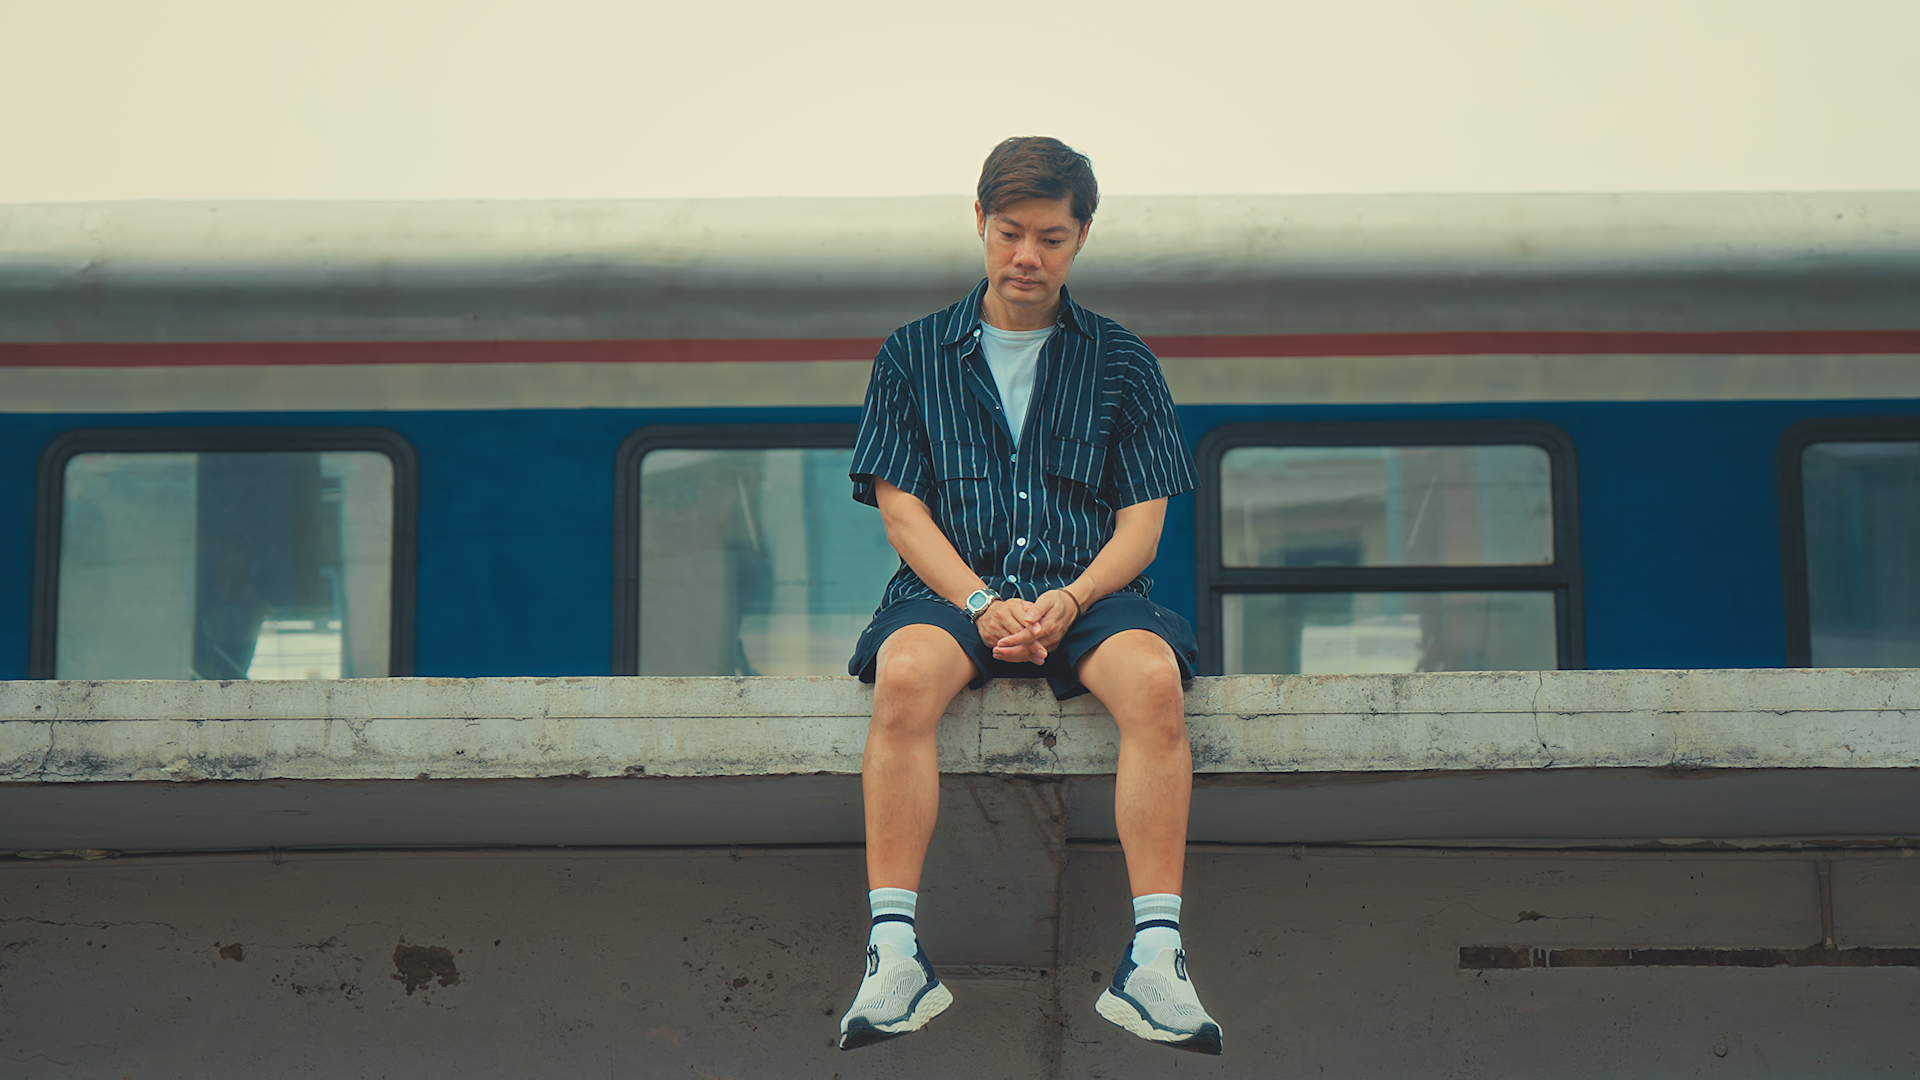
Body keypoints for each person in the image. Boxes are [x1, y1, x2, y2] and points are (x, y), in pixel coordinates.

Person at [836, 136, 1222, 1056]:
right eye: (1010, 232)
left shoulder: (1124, 361)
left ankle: (1156, 960)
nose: (1027, 257)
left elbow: (1142, 528)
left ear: (1082, 236)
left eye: (1051, 238)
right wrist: (980, 603)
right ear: (980, 221)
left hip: (1088, 594)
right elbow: (902, 513)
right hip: (949, 592)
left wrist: (1072, 598)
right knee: (903, 676)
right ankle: (894, 953)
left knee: (1155, 684)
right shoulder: (912, 354)